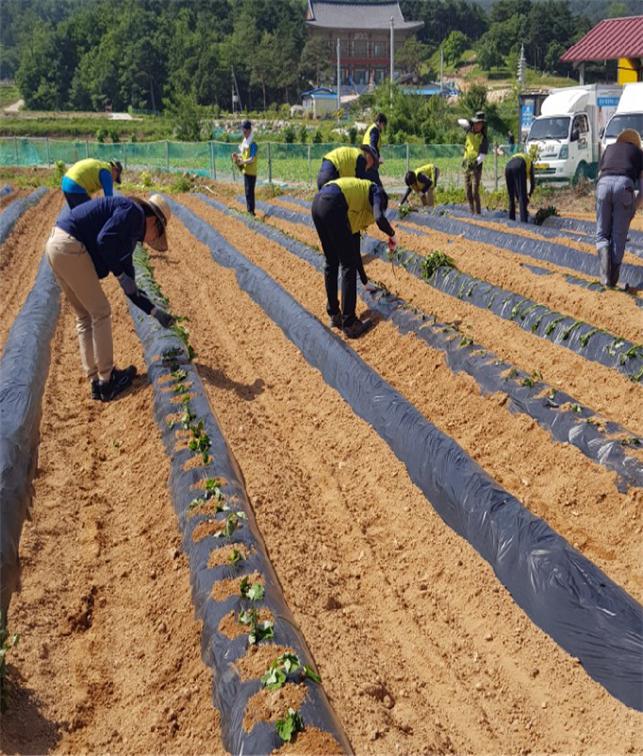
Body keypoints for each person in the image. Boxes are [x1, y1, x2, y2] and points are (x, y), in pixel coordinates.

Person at [45, 194, 176, 402]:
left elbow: (131, 289)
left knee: (85, 317)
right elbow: (104, 240)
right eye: (157, 233)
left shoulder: (128, 234)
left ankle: (96, 382)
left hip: (55, 245)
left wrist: (154, 311)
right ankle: (107, 380)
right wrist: (120, 274)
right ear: (153, 221)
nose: (151, 240)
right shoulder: (134, 213)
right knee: (101, 311)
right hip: (70, 246)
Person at [311, 177, 397, 338]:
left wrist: (365, 281)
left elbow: (355, 252)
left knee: (332, 261)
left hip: (317, 204)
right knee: (347, 265)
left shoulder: (355, 209)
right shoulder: (376, 191)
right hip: (333, 202)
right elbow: (379, 218)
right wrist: (392, 235)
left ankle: (335, 315)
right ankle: (349, 323)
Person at [595, 128, 643, 290]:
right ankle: (613, 280)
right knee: (618, 236)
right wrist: (632, 210)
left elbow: (600, 175)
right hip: (624, 186)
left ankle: (604, 278)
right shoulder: (639, 154)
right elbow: (642, 193)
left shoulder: (609, 149)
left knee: (602, 233)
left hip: (602, 185)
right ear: (636, 143)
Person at [457, 111, 488, 214]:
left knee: (475, 192)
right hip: (466, 165)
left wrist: (475, 162)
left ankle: (478, 214)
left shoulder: (484, 139)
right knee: (468, 192)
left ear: (482, 125)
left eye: (479, 124)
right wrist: (468, 124)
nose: (477, 126)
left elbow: (482, 155)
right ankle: (472, 212)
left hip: (476, 167)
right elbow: (460, 121)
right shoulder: (469, 131)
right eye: (475, 123)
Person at [317, 144, 381, 190]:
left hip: (327, 166)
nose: (371, 165)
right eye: (373, 161)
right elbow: (361, 185)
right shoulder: (361, 159)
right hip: (332, 170)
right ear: (368, 154)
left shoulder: (355, 154)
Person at [232, 120, 258, 215]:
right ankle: (249, 211)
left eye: (245, 131)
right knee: (247, 193)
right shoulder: (245, 143)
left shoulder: (253, 144)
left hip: (251, 172)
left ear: (249, 130)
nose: (244, 133)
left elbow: (252, 159)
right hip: (246, 171)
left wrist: (243, 162)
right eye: (243, 131)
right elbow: (243, 155)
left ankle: (252, 212)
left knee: (250, 193)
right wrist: (237, 156)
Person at [504, 151, 535, 223]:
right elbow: (532, 182)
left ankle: (511, 221)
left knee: (511, 197)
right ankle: (524, 222)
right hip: (519, 164)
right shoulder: (529, 162)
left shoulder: (518, 157)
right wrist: (529, 194)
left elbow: (516, 189)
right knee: (522, 196)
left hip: (508, 166)